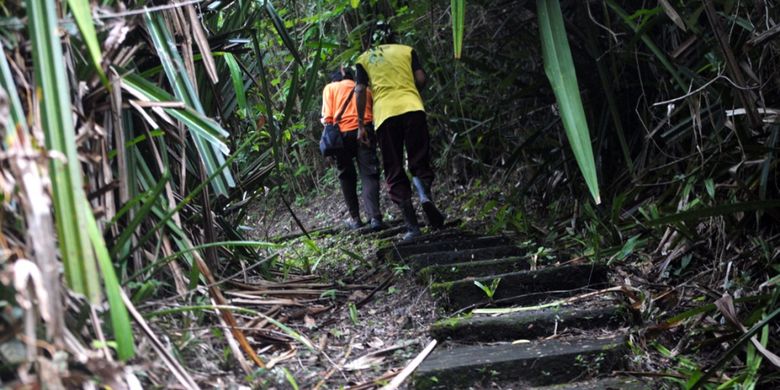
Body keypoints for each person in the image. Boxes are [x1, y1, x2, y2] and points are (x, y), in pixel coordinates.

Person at [354, 23, 445, 241]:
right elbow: (421, 78)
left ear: (370, 41)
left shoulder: (365, 58)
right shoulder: (407, 50)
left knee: (393, 167)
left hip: (386, 115)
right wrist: (411, 92)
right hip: (413, 108)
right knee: (419, 160)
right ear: (393, 36)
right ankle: (424, 195)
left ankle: (413, 227)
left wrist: (360, 125)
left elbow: (359, 90)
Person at [321, 67, 384, 231]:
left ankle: (356, 219)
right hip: (365, 132)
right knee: (369, 173)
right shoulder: (365, 90)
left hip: (341, 136)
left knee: (346, 176)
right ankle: (375, 218)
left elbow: (328, 118)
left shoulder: (331, 88)